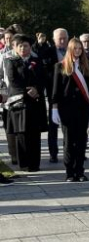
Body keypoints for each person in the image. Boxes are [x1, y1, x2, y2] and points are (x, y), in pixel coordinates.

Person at [51, 38, 89, 182]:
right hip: (66, 108)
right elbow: (56, 90)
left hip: (83, 107)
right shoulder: (60, 66)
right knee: (68, 141)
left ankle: (80, 170)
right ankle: (69, 172)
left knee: (81, 140)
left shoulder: (87, 66)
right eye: (75, 48)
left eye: (80, 48)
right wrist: (54, 108)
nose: (78, 51)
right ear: (70, 49)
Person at [3, 34, 48, 172]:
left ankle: (35, 164)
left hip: (35, 101)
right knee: (21, 133)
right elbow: (13, 80)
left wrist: (37, 89)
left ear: (30, 47)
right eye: (20, 46)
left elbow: (43, 78)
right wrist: (27, 91)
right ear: (15, 48)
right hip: (19, 102)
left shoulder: (36, 60)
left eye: (26, 46)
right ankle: (24, 163)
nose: (23, 48)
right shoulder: (10, 60)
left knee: (35, 134)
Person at [42, 28, 69, 163]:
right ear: (54, 39)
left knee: (69, 126)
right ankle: (53, 153)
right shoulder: (47, 53)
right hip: (54, 93)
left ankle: (69, 151)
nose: (63, 41)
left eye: (65, 38)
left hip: (69, 94)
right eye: (60, 38)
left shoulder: (73, 51)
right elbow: (45, 73)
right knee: (53, 126)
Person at [0, 25, 21, 165]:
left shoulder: (19, 53)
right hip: (6, 96)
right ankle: (13, 154)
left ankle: (21, 153)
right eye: (6, 38)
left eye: (10, 38)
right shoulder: (1, 55)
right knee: (10, 128)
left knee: (20, 127)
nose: (8, 41)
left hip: (19, 95)